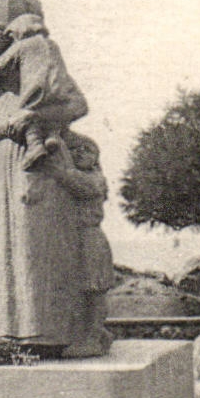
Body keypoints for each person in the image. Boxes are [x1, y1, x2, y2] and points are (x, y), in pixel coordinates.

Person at [0, 20, 91, 358]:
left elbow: (78, 106)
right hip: (4, 167)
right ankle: (7, 336)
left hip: (39, 167)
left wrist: (36, 117)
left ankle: (47, 337)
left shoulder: (36, 69)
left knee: (35, 250)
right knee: (7, 256)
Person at [0, 13, 89, 170]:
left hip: (35, 90)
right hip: (57, 89)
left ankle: (35, 146)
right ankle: (52, 136)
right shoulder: (52, 45)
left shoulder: (23, 45)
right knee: (45, 114)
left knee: (27, 114)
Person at [51, 130, 114, 358]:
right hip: (77, 239)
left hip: (90, 238)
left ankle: (93, 336)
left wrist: (54, 164)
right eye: (75, 150)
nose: (79, 154)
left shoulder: (94, 179)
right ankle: (93, 334)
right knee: (82, 290)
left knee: (93, 289)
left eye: (85, 150)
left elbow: (70, 179)